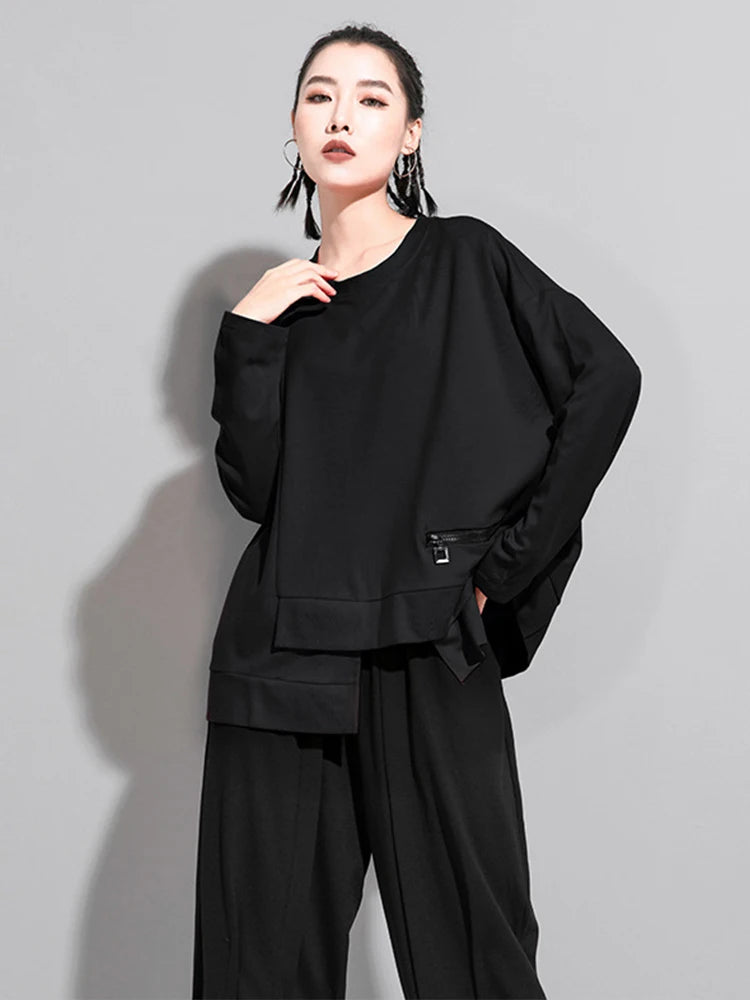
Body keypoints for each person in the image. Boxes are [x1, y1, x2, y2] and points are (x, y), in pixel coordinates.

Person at [192, 23, 642, 1000]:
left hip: (429, 644)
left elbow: (607, 379)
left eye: (372, 98)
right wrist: (246, 336)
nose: (341, 115)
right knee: (256, 974)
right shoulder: (279, 312)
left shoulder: (465, 259)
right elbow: (257, 492)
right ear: (293, 124)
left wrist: (503, 571)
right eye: (320, 95)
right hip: (282, 660)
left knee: (478, 965)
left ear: (410, 134)